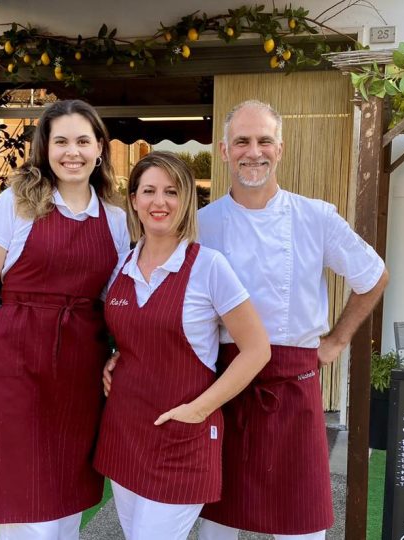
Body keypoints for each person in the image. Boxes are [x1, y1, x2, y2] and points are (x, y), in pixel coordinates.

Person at [197, 100, 389, 539]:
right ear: (225, 151)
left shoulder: (314, 216)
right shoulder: (202, 223)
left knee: (299, 526)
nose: (254, 151)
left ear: (280, 149)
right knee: (217, 526)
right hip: (224, 387)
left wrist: (337, 342)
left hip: (292, 386)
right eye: (242, 141)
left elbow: (373, 275)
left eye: (264, 140)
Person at [0, 99, 130, 539]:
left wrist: (120, 355)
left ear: (99, 148)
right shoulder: (15, 203)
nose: (72, 152)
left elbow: (117, 300)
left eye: (82, 141)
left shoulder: (114, 217)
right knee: (22, 499)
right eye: (61, 142)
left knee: (66, 495)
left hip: (79, 371)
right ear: (45, 148)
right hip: (16, 366)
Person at [95, 151, 270, 540]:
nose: (160, 202)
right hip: (125, 430)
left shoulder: (209, 266)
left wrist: (199, 410)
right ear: (134, 200)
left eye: (171, 192)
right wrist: (114, 355)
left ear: (186, 200)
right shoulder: (119, 268)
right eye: (149, 191)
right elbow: (134, 334)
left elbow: (257, 350)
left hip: (182, 438)